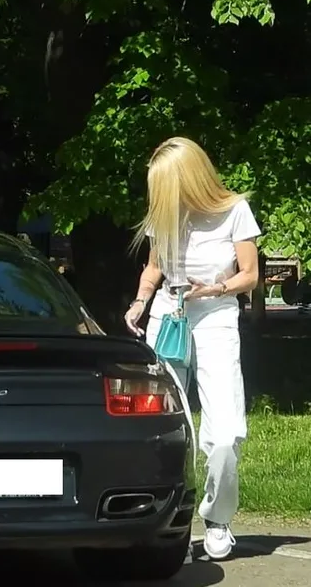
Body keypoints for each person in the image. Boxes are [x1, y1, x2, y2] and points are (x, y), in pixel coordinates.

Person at [124, 136, 260, 562]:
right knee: (160, 423)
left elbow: (250, 275)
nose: (161, 195)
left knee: (225, 434)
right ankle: (167, 523)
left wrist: (216, 288)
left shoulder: (235, 210)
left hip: (215, 315)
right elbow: (154, 268)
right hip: (169, 317)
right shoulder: (166, 214)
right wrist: (141, 302)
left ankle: (217, 518)